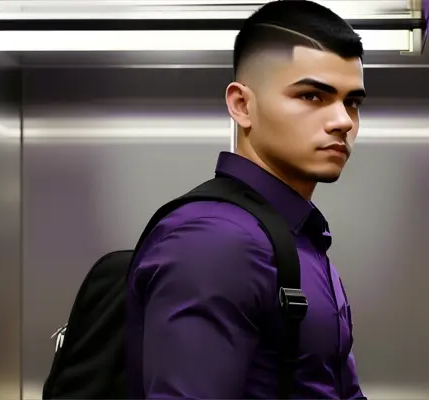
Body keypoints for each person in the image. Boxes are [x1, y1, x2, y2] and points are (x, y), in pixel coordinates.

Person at [124, 0, 367, 398]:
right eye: (311, 96)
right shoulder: (216, 241)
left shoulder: (295, 236)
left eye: (352, 102)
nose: (343, 121)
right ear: (242, 105)